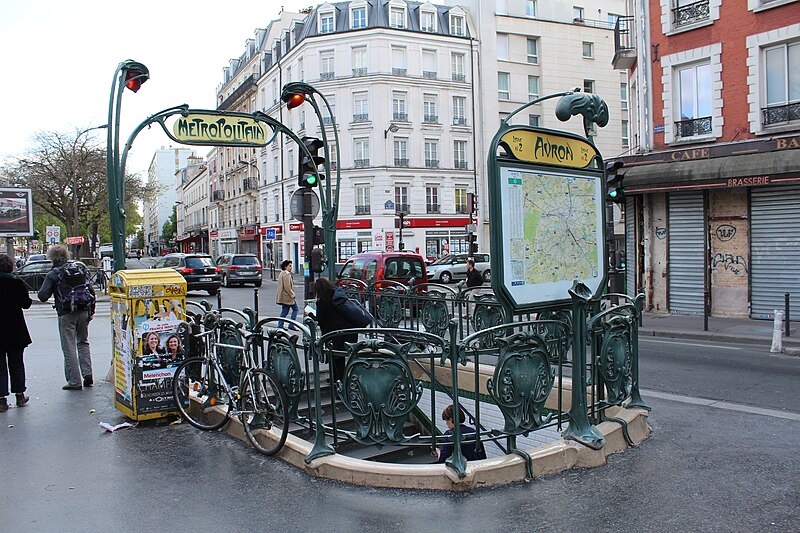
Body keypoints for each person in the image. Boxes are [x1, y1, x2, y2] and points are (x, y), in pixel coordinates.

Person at [38, 245, 95, 391]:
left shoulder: (54, 273)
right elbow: (91, 290)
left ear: (51, 257)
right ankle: (88, 374)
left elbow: (42, 296)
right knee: (83, 342)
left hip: (65, 313)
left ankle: (74, 381)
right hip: (84, 311)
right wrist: (91, 311)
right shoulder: (79, 268)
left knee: (69, 347)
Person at [309, 277, 362, 382]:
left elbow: (320, 320)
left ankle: (340, 384)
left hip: (334, 334)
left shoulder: (322, 302)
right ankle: (336, 379)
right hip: (349, 331)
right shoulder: (337, 297)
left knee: (336, 358)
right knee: (338, 357)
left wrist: (310, 314)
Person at [0, 253, 32, 412]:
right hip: (15, 329)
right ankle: (20, 395)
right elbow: (26, 304)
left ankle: (1, 400)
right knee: (17, 363)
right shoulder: (16, 283)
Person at [276, 260, 298, 329]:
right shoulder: (287, 275)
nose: (291, 267)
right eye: (290, 266)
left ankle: (280, 326)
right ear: (285, 267)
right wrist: (292, 295)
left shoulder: (282, 273)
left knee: (284, 312)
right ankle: (291, 325)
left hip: (283, 297)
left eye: (291, 266)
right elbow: (287, 287)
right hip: (287, 297)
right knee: (296, 309)